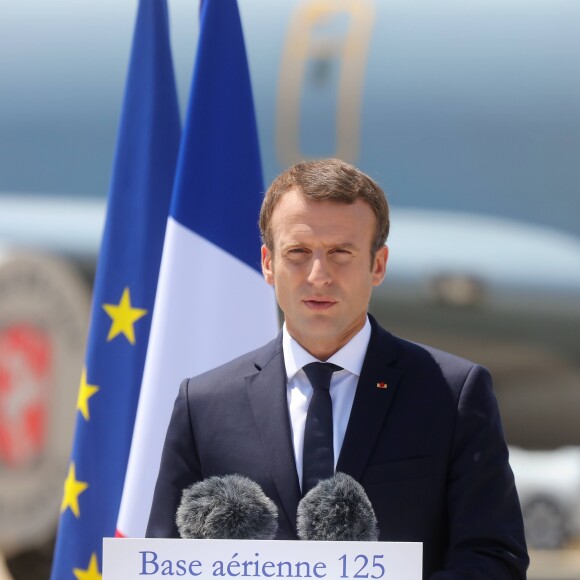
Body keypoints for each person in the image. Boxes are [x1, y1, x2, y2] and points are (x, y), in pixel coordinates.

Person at [147, 158, 529, 578]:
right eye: (297, 252)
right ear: (268, 264)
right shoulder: (204, 405)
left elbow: (494, 558)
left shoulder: (451, 394)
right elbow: (163, 560)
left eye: (340, 253)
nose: (318, 275)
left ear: (378, 265)